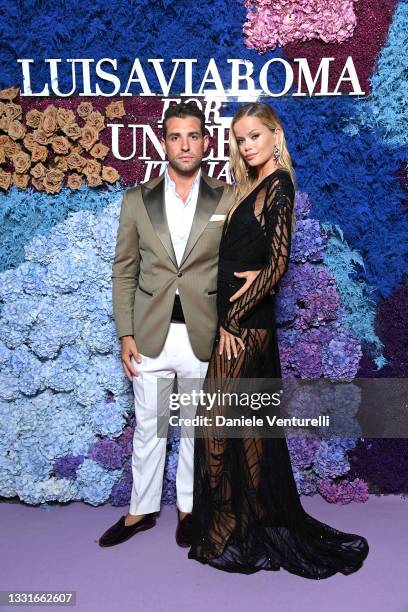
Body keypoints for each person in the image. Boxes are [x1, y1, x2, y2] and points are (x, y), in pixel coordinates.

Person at [188, 102, 369, 578]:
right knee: (245, 427)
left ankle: (229, 521)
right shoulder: (254, 187)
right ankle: (246, 517)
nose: (247, 146)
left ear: (275, 135)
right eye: (240, 139)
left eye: (254, 136)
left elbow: (278, 262)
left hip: (243, 327)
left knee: (217, 427)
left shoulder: (280, 185)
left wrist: (232, 320)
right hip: (246, 323)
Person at [99, 102, 234, 548]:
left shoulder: (226, 198)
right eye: (175, 136)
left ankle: (189, 509)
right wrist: (125, 333)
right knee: (151, 426)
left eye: (193, 136)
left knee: (197, 429)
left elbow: (236, 265)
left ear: (205, 141)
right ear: (164, 142)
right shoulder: (137, 200)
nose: (184, 144)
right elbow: (124, 270)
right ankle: (140, 510)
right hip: (151, 335)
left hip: (204, 334)